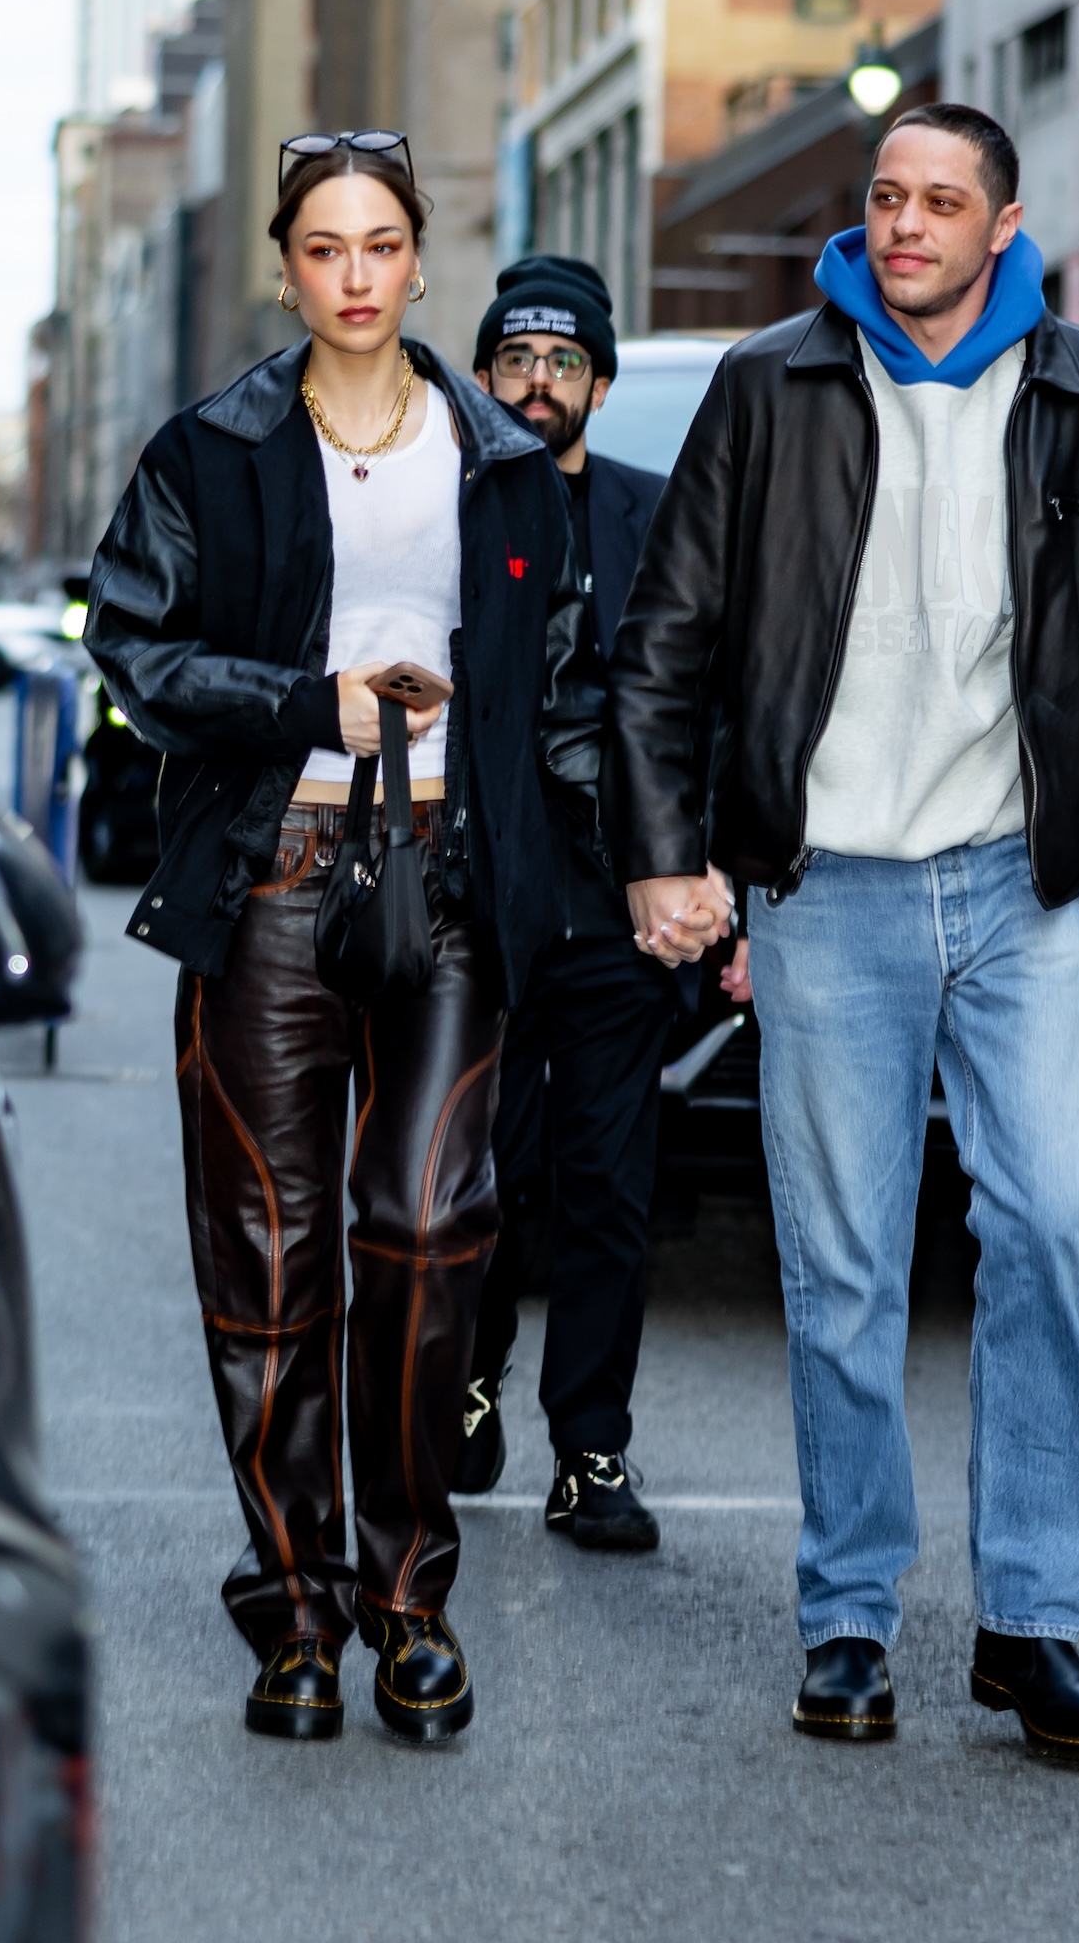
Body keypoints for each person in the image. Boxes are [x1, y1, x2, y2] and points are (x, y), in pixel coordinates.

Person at [604, 103, 1079, 1759]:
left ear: (1003, 223)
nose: (904, 224)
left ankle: (1028, 1622)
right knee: (840, 1271)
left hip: (1017, 894)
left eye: (939, 201)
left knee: (1049, 1228)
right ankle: (847, 1614)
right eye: (885, 197)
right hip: (828, 896)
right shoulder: (771, 386)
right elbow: (664, 643)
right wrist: (667, 855)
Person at [85, 131, 600, 1744]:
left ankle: (407, 1595)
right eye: (326, 248)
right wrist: (315, 707)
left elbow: (566, 671)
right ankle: (294, 1605)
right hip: (272, 872)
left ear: (421, 262)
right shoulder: (210, 449)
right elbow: (136, 648)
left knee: (432, 1228)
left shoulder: (498, 456)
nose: (358, 276)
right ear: (288, 266)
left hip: (445, 871)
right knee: (268, 1257)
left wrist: (654, 861)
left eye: (384, 245)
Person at [455, 255, 672, 1551]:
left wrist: (720, 892)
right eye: (517, 362)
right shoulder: (442, 514)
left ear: (598, 379)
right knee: (476, 1180)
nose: (539, 385)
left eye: (564, 363)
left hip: (619, 918)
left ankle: (590, 1449)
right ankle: (462, 1385)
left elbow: (700, 709)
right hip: (471, 915)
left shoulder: (654, 513)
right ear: (484, 377)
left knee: (608, 1190)